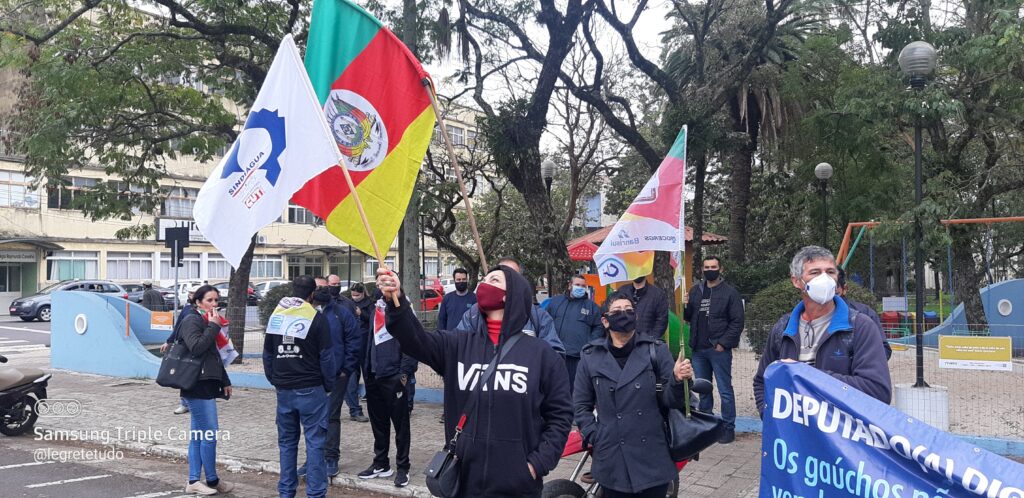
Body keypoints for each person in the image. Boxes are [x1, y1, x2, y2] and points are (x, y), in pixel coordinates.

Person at [377, 265, 573, 497]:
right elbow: (414, 339)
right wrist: (396, 301)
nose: (484, 283)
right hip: (463, 480)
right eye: (485, 278)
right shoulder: (456, 344)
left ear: (512, 295)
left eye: (495, 280)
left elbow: (560, 417)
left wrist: (536, 465)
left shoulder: (541, 354)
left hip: (518, 484)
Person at [575, 293, 693, 498]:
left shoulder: (656, 350)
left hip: (651, 457)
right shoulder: (590, 356)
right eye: (617, 311)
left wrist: (678, 380)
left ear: (636, 317)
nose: (624, 315)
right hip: (611, 457)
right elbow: (580, 405)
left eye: (629, 310)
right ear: (605, 320)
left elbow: (672, 401)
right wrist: (596, 434)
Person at [753, 246, 892, 418]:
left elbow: (877, 390)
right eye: (815, 272)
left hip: (841, 439)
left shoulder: (860, 326)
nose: (824, 278)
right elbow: (762, 380)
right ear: (797, 281)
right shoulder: (783, 328)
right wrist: (768, 415)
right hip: (794, 437)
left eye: (830, 272)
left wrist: (808, 375)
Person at [263, 276, 336, 498]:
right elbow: (326, 356)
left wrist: (275, 379)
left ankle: (286, 493)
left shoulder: (277, 315)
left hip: (283, 390)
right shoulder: (316, 317)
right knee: (315, 444)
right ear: (312, 294)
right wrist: (328, 384)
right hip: (311, 388)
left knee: (286, 444)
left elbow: (268, 354)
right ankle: (315, 494)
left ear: (292, 291)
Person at [358, 288, 418, 488]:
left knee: (401, 426)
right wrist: (366, 369)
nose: (382, 286)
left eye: (386, 282)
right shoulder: (377, 309)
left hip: (394, 376)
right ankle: (381, 463)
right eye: (379, 282)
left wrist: (404, 373)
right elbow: (370, 340)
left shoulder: (403, 310)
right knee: (378, 424)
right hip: (374, 376)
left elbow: (413, 342)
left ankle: (403, 468)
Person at [177, 285, 234, 496]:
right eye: (209, 300)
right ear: (198, 302)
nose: (214, 305)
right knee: (210, 433)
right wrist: (213, 326)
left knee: (199, 435)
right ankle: (209, 479)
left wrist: (225, 380)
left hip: (207, 383)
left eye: (216, 300)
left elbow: (214, 354)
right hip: (195, 385)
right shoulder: (192, 319)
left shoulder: (205, 320)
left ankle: (198, 480)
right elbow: (197, 347)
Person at [301, 287, 362, 479]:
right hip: (311, 375)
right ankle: (312, 458)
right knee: (312, 418)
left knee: (331, 416)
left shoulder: (341, 313)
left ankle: (330, 458)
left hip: (337, 375)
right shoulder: (304, 312)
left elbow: (354, 340)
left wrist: (346, 369)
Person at [683, 256, 744, 444]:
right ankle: (707, 426)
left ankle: (728, 428)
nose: (710, 270)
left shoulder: (729, 293)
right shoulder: (696, 291)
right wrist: (685, 304)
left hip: (718, 349)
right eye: (707, 267)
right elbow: (688, 318)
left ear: (720, 269)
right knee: (703, 389)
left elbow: (737, 321)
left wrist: (723, 343)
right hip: (698, 349)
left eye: (714, 267)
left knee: (725, 389)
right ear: (703, 269)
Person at [456, 257, 566, 355]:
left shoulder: (538, 316)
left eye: (512, 275)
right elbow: (457, 348)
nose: (508, 279)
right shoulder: (473, 315)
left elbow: (556, 355)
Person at [545, 275, 604, 394]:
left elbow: (599, 327)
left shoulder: (591, 307)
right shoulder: (556, 302)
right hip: (556, 354)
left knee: (577, 390)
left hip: (578, 357)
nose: (580, 288)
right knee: (554, 388)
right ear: (570, 285)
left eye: (583, 286)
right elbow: (545, 322)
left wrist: (589, 343)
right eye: (577, 285)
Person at [837, 268, 891, 360]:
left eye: (833, 284)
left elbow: (883, 351)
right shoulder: (806, 316)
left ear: (844, 288)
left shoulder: (864, 314)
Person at [162, 291, 196, 415]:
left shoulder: (205, 310)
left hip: (198, 347)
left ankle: (198, 402)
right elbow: (178, 326)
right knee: (184, 375)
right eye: (190, 293)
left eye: (194, 293)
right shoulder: (187, 309)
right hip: (184, 346)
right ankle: (184, 403)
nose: (191, 295)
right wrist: (169, 341)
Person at [346, 283, 373, 423]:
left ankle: (372, 404)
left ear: (362, 293)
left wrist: (361, 314)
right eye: (353, 295)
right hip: (353, 345)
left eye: (357, 295)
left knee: (368, 374)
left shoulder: (369, 304)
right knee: (351, 378)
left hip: (366, 343)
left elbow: (372, 320)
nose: (355, 298)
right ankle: (354, 408)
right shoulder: (348, 303)